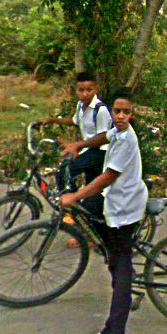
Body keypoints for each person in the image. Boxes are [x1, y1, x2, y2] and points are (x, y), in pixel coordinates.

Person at [60, 90, 148, 334]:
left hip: (124, 208)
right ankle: (112, 257)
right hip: (117, 200)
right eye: (117, 111)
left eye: (126, 112)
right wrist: (80, 144)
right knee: (90, 212)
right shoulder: (118, 132)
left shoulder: (127, 141)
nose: (120, 116)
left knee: (121, 266)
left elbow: (107, 177)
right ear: (111, 112)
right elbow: (104, 136)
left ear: (132, 114)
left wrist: (75, 195)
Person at [41, 71, 113, 221]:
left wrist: (79, 144)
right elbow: (75, 121)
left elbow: (104, 137)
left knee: (66, 170)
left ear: (96, 89)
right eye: (81, 90)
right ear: (76, 91)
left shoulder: (100, 110)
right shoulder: (80, 105)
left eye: (89, 90)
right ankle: (89, 219)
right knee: (92, 189)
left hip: (100, 152)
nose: (85, 94)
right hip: (88, 150)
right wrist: (53, 120)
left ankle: (71, 209)